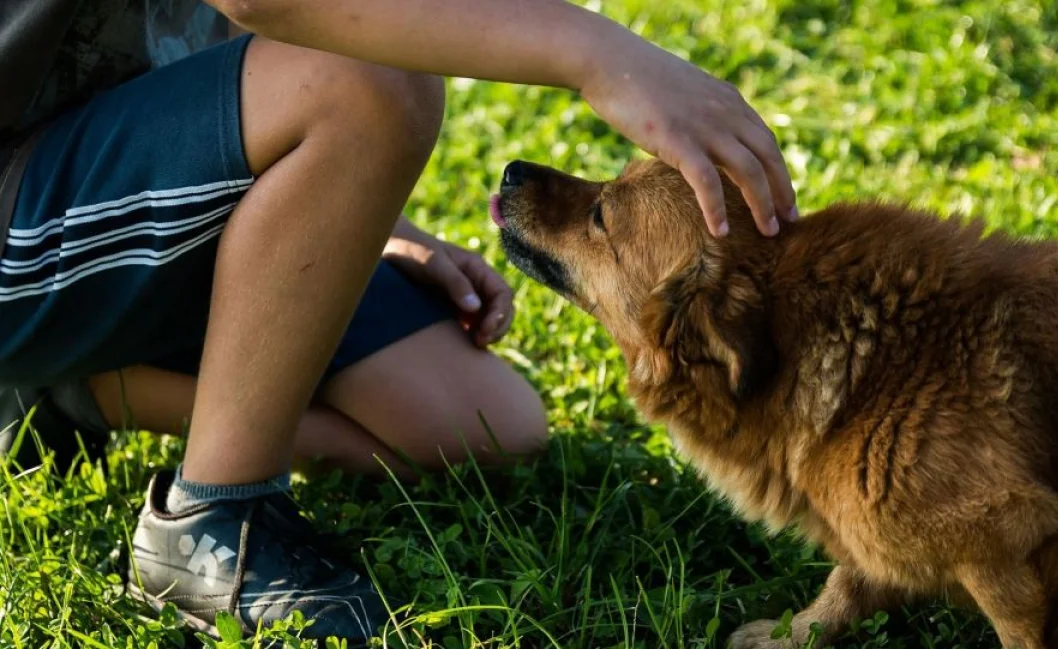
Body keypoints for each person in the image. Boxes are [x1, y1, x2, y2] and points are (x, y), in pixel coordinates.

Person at [0, 0, 796, 643]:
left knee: (482, 426)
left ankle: (74, 390)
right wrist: (600, 55)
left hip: (132, 176)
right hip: (17, 202)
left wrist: (352, 206)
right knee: (377, 85)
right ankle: (212, 518)